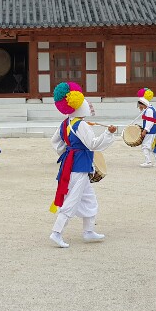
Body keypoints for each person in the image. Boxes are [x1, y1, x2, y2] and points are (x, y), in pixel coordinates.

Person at [49, 82, 116, 248]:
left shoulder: (66, 123)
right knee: (71, 201)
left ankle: (88, 231)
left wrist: (67, 151)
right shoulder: (82, 125)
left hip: (71, 164)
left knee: (90, 200)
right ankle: (56, 233)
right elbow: (93, 144)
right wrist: (109, 133)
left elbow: (56, 142)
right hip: (78, 167)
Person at [136, 88, 156, 167]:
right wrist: (141, 109)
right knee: (154, 146)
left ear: (143, 103)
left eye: (140, 105)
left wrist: (145, 130)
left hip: (151, 131)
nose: (139, 106)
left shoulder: (149, 110)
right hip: (153, 130)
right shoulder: (150, 108)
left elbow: (150, 121)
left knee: (145, 145)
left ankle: (148, 162)